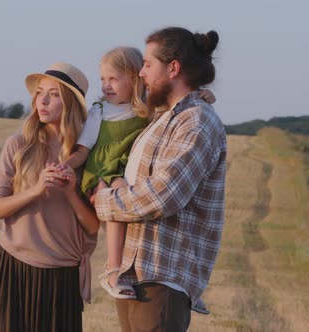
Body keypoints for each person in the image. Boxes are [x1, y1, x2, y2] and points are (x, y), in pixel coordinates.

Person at [92, 27, 226, 332]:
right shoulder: (164, 119)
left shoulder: (197, 121)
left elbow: (162, 196)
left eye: (149, 64)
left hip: (162, 280)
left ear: (173, 68)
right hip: (137, 276)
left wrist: (102, 201)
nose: (141, 73)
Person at [64, 47, 216, 302]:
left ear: (134, 79)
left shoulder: (147, 110)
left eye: (113, 79)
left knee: (131, 198)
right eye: (103, 79)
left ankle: (140, 269)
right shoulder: (99, 111)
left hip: (126, 173)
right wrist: (65, 166)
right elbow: (82, 150)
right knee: (119, 195)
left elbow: (177, 107)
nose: (106, 86)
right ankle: (113, 269)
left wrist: (203, 95)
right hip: (103, 172)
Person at [0, 62, 100, 332]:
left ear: (70, 103)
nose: (42, 101)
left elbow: (93, 226)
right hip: (12, 270)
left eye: (54, 95)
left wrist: (70, 193)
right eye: (39, 93)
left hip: (61, 278)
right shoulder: (19, 145)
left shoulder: (89, 156)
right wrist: (35, 190)